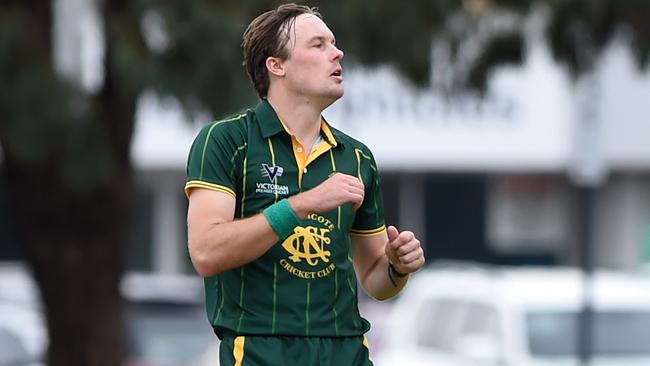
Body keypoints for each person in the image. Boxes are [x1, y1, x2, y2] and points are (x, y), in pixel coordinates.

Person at [184, 3, 425, 365]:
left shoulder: (357, 157)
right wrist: (302, 204)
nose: (337, 52)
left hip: (345, 350)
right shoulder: (226, 141)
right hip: (260, 351)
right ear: (276, 65)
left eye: (334, 43)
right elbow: (206, 251)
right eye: (318, 45)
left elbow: (376, 281)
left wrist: (396, 267)